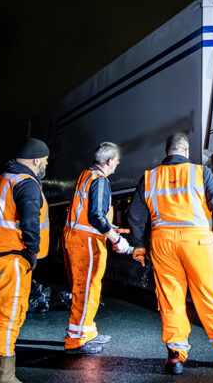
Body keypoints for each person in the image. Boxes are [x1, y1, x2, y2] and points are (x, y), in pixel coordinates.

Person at [128, 133, 213, 375]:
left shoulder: (149, 177)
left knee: (170, 297)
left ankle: (175, 355)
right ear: (186, 151)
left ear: (167, 152)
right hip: (197, 241)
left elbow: (136, 215)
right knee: (209, 295)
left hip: (162, 242)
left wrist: (139, 245)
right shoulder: (200, 172)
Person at [0, 137, 51, 383]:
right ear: (36, 160)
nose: (46, 165)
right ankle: (4, 376)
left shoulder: (2, 178)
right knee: (9, 317)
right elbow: (30, 221)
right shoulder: (27, 183)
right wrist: (32, 252)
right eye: (46, 161)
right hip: (11, 258)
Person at [62, 142, 130, 354]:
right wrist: (115, 238)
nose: (117, 164)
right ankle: (76, 340)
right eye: (117, 161)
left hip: (77, 237)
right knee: (86, 288)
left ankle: (87, 331)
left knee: (86, 287)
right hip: (87, 241)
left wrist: (111, 228)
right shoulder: (100, 180)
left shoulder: (86, 175)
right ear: (109, 161)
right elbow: (96, 217)